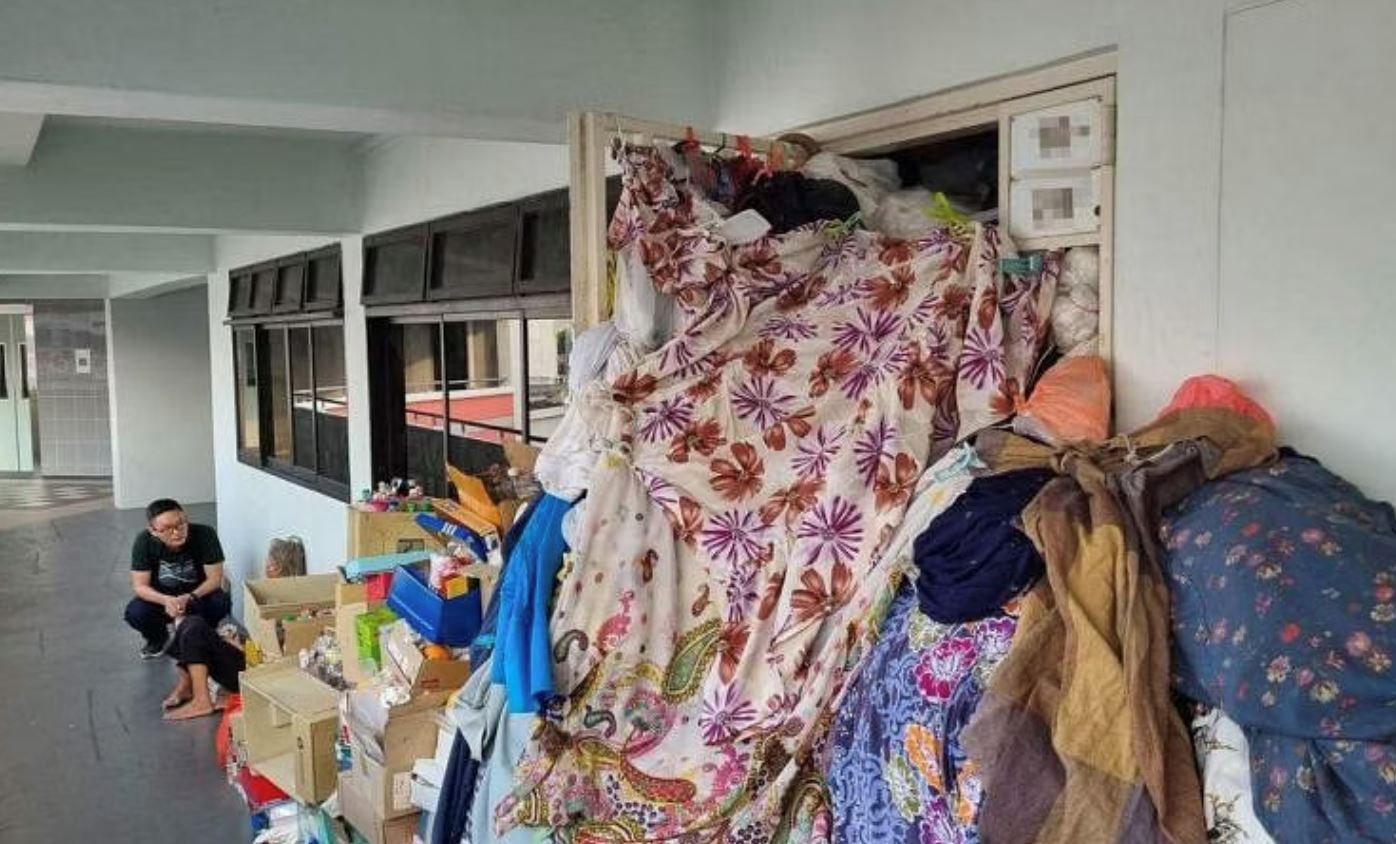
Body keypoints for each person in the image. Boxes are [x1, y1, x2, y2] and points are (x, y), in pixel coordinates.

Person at [124, 498, 231, 659]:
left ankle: (206, 632)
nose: (176, 532)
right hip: (162, 599)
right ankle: (158, 638)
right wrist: (166, 600)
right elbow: (140, 586)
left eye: (181, 524)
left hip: (197, 595)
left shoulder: (205, 534)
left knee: (220, 602)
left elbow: (215, 579)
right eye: (167, 529)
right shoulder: (144, 541)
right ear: (153, 531)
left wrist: (189, 597)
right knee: (136, 612)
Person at [161, 608, 245, 721]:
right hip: (248, 657)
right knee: (191, 621)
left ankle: (201, 700)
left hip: (250, 671)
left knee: (195, 631)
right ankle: (186, 686)